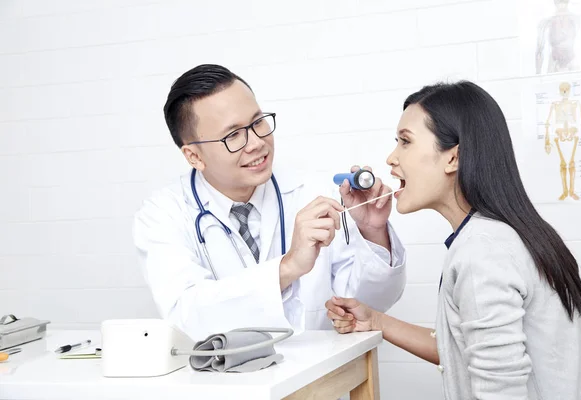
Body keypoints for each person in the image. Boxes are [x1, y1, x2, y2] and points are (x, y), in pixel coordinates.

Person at [326, 81, 581, 399]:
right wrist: (375, 320)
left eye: (405, 142)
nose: (391, 158)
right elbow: (470, 351)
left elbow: (500, 391)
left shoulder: (482, 251)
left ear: (453, 158)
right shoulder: (498, 235)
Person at [133, 64, 407, 341]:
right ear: (194, 156)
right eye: (233, 135)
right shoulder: (163, 215)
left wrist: (374, 233)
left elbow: (368, 307)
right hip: (224, 381)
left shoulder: (312, 194)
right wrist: (288, 268)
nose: (256, 143)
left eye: (257, 122)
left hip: (315, 375)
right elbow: (186, 316)